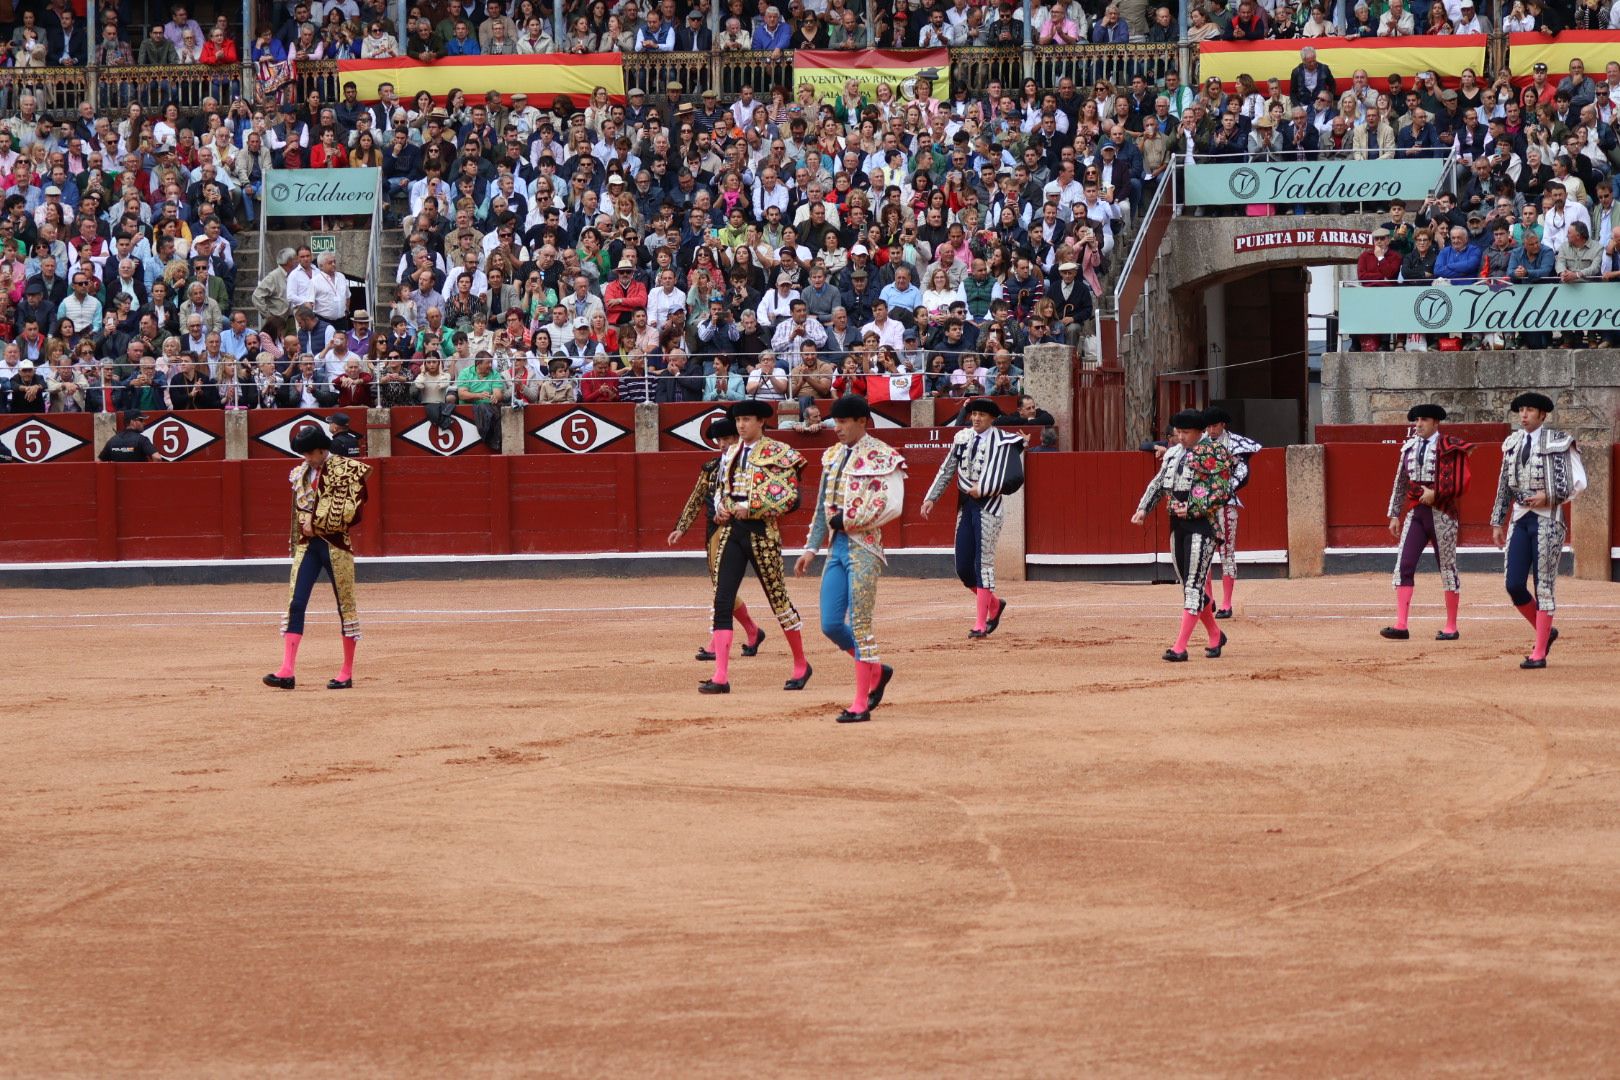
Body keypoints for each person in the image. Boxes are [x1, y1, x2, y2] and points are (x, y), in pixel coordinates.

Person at [795, 395, 907, 723]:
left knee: (859, 625)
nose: (837, 428)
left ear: (862, 421)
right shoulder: (831, 455)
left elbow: (893, 506)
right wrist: (810, 548)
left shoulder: (884, 455)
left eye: (844, 422)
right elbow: (822, 508)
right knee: (831, 624)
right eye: (836, 422)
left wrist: (848, 521)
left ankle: (861, 702)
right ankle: (876, 670)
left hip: (865, 548)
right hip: (836, 548)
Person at [700, 400, 812, 695]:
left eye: (747, 420)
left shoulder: (780, 453)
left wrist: (751, 507)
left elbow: (790, 498)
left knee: (778, 600)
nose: (740, 425)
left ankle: (801, 664)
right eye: (738, 420)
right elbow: (722, 491)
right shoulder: (731, 453)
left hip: (762, 533)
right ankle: (720, 676)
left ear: (762, 421)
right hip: (731, 533)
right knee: (722, 601)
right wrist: (722, 508)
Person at [264, 422, 372, 691]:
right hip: (308, 546)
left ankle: (346, 672)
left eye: (310, 454)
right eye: (304, 455)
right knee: (296, 603)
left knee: (345, 607)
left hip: (335, 545)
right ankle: (286, 670)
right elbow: (296, 513)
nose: (306, 459)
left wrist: (316, 523)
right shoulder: (301, 473)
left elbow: (352, 511)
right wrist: (300, 533)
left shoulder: (347, 469)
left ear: (322, 450)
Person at [1131, 410, 1236, 662]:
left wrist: (1191, 508)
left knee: (1192, 586)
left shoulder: (1214, 452)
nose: (1180, 437)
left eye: (1185, 433)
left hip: (1203, 525)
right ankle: (1215, 634)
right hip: (1177, 525)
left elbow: (1221, 492)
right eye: (1178, 432)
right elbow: (1158, 483)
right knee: (1190, 587)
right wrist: (1144, 507)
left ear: (1200, 432)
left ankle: (1180, 647)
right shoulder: (1173, 453)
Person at [1491, 393, 1586, 669]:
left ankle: (1539, 652)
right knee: (1513, 584)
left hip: (1548, 519)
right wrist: (1497, 521)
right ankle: (1546, 632)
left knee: (1543, 586)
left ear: (1542, 415)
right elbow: (1504, 486)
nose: (1524, 415)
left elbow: (1578, 482)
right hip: (1521, 519)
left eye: (1530, 410)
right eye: (1521, 410)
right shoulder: (1512, 444)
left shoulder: (1559, 442)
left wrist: (1549, 496)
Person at [921, 398, 1027, 639]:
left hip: (989, 507)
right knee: (963, 568)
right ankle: (995, 604)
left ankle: (980, 623)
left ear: (992, 418)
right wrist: (931, 498)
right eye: (974, 414)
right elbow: (947, 469)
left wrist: (986, 488)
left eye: (981, 415)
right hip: (967, 507)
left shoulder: (1004, 442)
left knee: (983, 564)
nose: (976, 418)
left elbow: (1013, 477)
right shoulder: (962, 439)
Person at [666, 416, 768, 663]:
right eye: (720, 440)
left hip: (741, 530)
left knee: (723, 589)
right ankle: (753, 631)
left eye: (728, 439)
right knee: (721, 588)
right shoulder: (711, 468)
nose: (723, 444)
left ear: (737, 438)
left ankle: (719, 642)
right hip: (714, 531)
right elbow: (697, 497)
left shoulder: (748, 465)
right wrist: (681, 527)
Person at [1381, 404, 1474, 643]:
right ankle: (1401, 625)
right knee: (1405, 564)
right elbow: (1400, 482)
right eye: (1416, 420)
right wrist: (1393, 514)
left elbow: (1461, 481)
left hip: (1442, 514)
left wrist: (1437, 494)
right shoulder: (1409, 447)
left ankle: (1451, 626)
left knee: (1447, 568)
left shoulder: (1449, 446)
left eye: (1423, 420)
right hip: (1416, 514)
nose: (1418, 424)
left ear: (1435, 423)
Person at [1202, 408, 1262, 619]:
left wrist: (1224, 490)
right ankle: (1208, 600)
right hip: (1203, 506)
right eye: (1208, 426)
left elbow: (1242, 472)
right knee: (1204, 555)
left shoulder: (1235, 444)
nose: (1211, 430)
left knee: (1226, 552)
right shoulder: (1200, 444)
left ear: (1223, 425)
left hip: (1226, 504)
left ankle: (1227, 604)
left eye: (1215, 426)